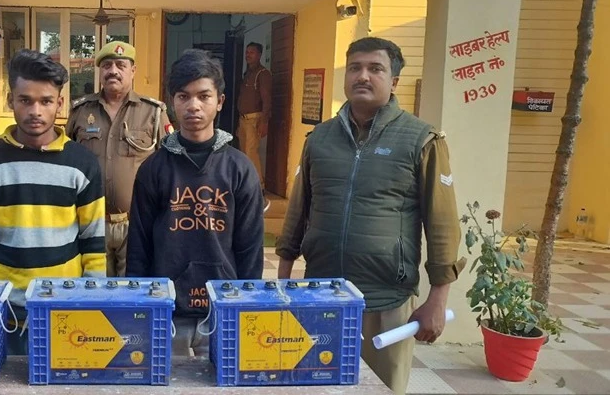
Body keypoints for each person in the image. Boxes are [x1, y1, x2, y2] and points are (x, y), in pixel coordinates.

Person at [275, 37, 463, 395]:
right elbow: (298, 211)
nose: (363, 76)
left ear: (394, 81)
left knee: (380, 390)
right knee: (315, 386)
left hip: (386, 301)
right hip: (321, 294)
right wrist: (282, 283)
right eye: (355, 68)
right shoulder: (320, 139)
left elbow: (442, 224)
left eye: (375, 68)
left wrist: (437, 301)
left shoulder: (421, 140)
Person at [0, 49, 106, 354]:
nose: (35, 111)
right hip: (3, 306)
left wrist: (90, 300)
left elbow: (93, 243)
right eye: (25, 100)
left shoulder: (83, 163)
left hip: (64, 304)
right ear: (10, 100)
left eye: (46, 101)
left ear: (60, 104)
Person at [126, 49, 264, 357]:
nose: (193, 106)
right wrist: (141, 305)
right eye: (183, 96)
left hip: (223, 310)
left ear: (220, 101)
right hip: (167, 312)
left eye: (204, 96)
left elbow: (251, 248)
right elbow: (138, 247)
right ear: (172, 102)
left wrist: (247, 306)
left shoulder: (240, 168)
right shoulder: (153, 169)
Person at [66, 41, 172, 277]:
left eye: (120, 65)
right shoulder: (81, 111)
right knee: (94, 289)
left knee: (132, 289)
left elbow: (168, 167)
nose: (113, 71)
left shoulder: (153, 112)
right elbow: (66, 162)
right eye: (107, 65)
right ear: (100, 71)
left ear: (133, 71)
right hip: (91, 223)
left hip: (136, 224)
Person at [235, 42, 272, 199]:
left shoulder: (263, 74)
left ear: (259, 55)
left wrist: (264, 122)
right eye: (247, 52)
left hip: (254, 119)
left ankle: (258, 187)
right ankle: (247, 184)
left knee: (251, 153)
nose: (248, 55)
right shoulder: (248, 74)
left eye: (252, 52)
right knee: (243, 154)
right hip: (243, 120)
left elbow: (267, 100)